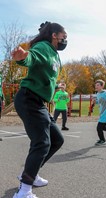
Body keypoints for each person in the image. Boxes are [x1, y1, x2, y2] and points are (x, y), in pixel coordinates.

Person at [11, 21, 67, 198]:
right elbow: (32, 57)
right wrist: (23, 57)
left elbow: (47, 74)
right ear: (54, 35)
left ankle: (30, 174)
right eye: (64, 36)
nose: (66, 39)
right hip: (29, 99)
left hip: (38, 102)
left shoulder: (55, 55)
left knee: (57, 140)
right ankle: (24, 191)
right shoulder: (43, 46)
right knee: (42, 143)